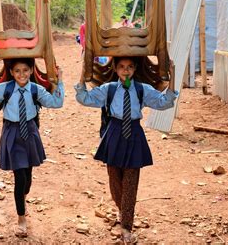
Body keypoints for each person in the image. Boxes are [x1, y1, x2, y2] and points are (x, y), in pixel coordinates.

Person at [74, 57, 177, 243]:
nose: (126, 71)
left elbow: (165, 102)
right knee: (115, 179)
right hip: (114, 133)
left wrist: (173, 75)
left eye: (130, 67)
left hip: (134, 135)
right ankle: (122, 209)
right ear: (115, 68)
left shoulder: (141, 89)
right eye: (121, 67)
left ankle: (126, 228)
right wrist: (83, 73)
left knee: (131, 181)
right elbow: (84, 98)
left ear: (135, 68)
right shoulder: (109, 89)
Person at [0, 58, 64, 238]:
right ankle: (21, 218)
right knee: (19, 176)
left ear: (31, 71)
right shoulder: (5, 88)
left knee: (27, 178)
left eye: (25, 70)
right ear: (12, 73)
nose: (21, 75)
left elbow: (56, 103)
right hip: (12, 132)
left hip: (30, 131)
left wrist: (59, 81)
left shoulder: (36, 90)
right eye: (17, 71)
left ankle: (23, 196)